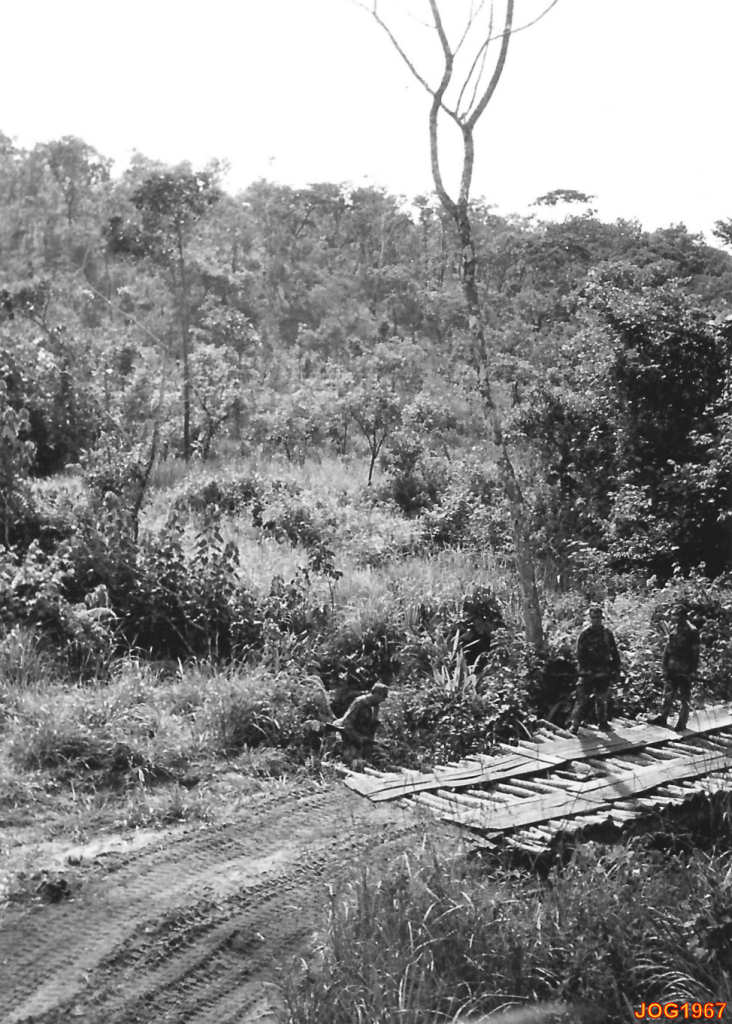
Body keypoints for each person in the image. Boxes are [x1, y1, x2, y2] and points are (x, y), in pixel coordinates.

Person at [570, 604, 620, 733]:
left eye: (598, 617)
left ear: (601, 618)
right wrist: (585, 671)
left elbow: (614, 652)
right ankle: (575, 724)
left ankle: (602, 723)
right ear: (590, 619)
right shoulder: (585, 634)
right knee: (582, 699)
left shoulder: (607, 633)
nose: (596, 620)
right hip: (588, 672)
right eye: (593, 618)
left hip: (603, 672)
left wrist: (616, 669)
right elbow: (580, 655)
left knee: (601, 699)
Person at [651, 605, 699, 731]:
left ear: (683, 616)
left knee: (684, 697)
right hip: (672, 667)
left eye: (676, 615)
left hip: (685, 670)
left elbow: (695, 653)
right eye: (673, 615)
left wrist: (693, 671)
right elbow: (667, 649)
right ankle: (663, 717)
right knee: (668, 694)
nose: (674, 617)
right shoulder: (674, 629)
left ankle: (682, 722)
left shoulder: (692, 631)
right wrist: (664, 666)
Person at [330, 682, 389, 761]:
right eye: (383, 696)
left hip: (361, 739)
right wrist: (358, 737)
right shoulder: (360, 703)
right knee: (351, 759)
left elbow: (370, 729)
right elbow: (347, 724)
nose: (384, 699)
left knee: (380, 756)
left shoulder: (374, 707)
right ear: (376, 694)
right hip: (347, 736)